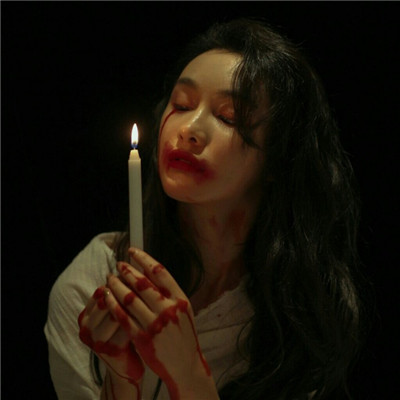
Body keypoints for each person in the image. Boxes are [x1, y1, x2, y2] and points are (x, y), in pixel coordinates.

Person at [45, 18, 365, 400]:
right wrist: (121, 379)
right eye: (181, 105)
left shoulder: (296, 316)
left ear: (279, 160)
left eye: (228, 117)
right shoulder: (91, 285)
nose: (190, 129)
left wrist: (188, 371)